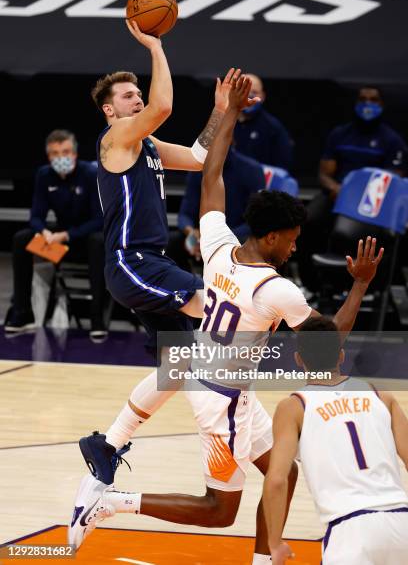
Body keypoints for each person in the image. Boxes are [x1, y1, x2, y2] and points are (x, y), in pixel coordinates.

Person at [70, 75, 383, 562]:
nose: (297, 246)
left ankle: (261, 557)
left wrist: (227, 111)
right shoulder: (278, 290)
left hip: (223, 383)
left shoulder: (217, 246)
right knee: (219, 511)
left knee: (285, 470)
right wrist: (361, 282)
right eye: (295, 238)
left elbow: (209, 174)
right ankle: (112, 503)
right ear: (276, 238)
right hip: (221, 402)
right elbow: (328, 340)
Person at [70, 21, 237, 503]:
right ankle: (224, 434)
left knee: (179, 363)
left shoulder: (145, 145)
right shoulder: (116, 138)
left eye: (137, 92)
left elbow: (202, 156)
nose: (136, 99)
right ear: (110, 110)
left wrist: (220, 111)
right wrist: (155, 46)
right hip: (132, 262)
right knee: (216, 312)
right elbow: (164, 106)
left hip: (150, 262)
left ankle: (106, 445)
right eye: (127, 95)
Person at [263, 315, 408, 564]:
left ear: (298, 359)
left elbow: (276, 479)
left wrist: (274, 543)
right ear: (341, 356)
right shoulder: (381, 396)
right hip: (402, 522)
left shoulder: (294, 406)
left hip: (350, 530)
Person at [297, 86, 408, 292]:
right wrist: (336, 188)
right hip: (337, 193)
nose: (368, 104)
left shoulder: (392, 140)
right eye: (363, 99)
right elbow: (324, 173)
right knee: (305, 220)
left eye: (373, 100)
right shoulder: (340, 134)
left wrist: (356, 196)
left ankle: (361, 287)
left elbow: (394, 179)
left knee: (350, 232)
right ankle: (310, 284)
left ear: (381, 105)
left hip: (372, 202)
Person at [4, 129, 107, 340]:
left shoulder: (89, 174)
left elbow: (99, 220)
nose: (61, 157)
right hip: (57, 246)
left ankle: (97, 319)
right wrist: (44, 232)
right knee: (22, 238)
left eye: (66, 151)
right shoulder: (44, 175)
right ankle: (22, 314)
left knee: (98, 241)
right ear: (49, 156)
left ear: (75, 154)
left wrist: (67, 235)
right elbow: (36, 216)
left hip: (85, 241)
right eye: (55, 153)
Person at [167, 144, 265, 271]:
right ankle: (186, 286)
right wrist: (191, 231)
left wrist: (220, 238)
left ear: (230, 142)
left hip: (237, 235)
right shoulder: (197, 168)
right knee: (172, 242)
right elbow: (185, 214)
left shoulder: (252, 170)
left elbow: (255, 222)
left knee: (254, 242)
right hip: (204, 237)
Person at [233, 74, 293, 170]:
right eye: (245, 91)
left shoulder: (273, 127)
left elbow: (282, 169)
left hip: (260, 182)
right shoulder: (224, 123)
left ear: (263, 96)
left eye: (255, 92)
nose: (250, 96)